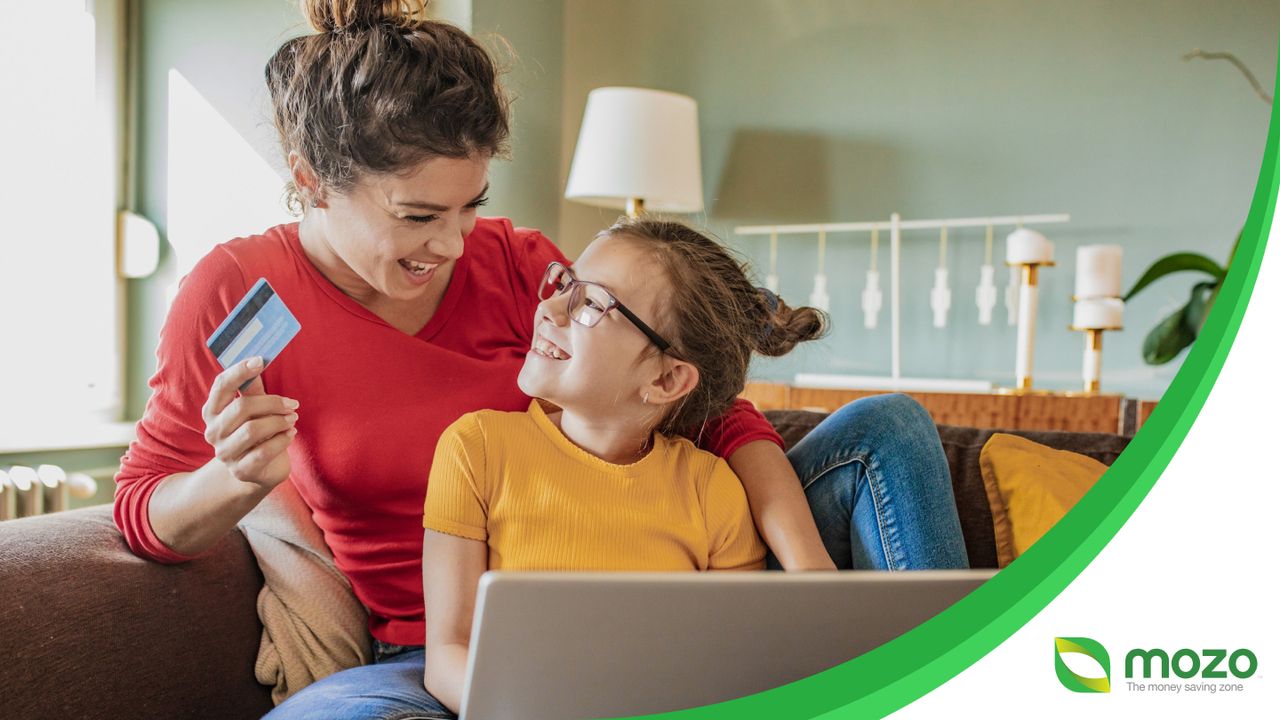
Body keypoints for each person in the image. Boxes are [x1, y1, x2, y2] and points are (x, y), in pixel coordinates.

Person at [110, 1, 964, 718]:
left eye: (471, 205)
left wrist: (808, 582)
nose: (452, 243)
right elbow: (144, 510)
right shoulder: (237, 290)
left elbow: (704, 410)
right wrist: (234, 477)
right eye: (416, 216)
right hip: (435, 649)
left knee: (885, 426)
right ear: (310, 177)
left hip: (641, 584)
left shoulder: (520, 266)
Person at [420, 217, 969, 714]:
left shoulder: (711, 489)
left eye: (592, 304)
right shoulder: (476, 448)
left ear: (666, 381)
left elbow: (736, 666)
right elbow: (448, 651)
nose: (550, 308)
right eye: (564, 282)